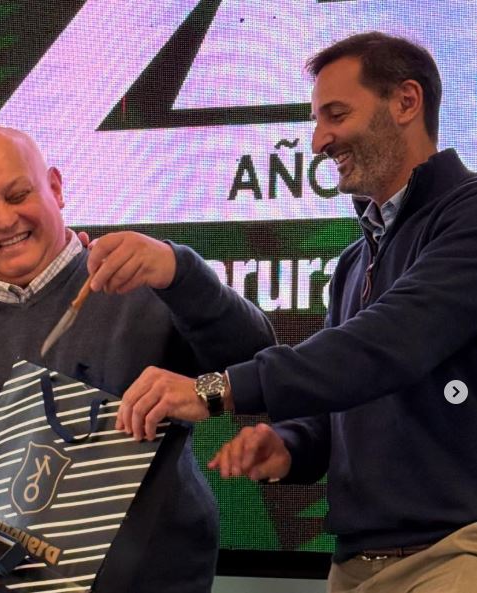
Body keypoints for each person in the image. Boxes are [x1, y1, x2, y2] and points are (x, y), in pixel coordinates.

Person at [116, 32, 477, 592]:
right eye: (317, 119)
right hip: (354, 565)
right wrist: (289, 445)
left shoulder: (468, 216)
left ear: (407, 102)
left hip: (454, 556)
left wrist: (213, 389)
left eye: (336, 114)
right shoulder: (354, 262)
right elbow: (340, 409)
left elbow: (385, 345)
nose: (319, 140)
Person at [0, 127, 275, 593]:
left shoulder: (146, 286)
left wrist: (182, 273)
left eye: (18, 195)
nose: (4, 220)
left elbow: (258, 362)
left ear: (55, 187)